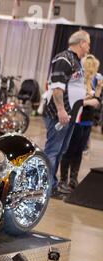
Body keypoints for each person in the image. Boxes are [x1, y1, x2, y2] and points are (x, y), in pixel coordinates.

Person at [42, 30, 90, 199]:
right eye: (88, 44)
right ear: (82, 43)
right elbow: (57, 87)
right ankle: (44, 186)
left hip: (70, 115)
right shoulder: (64, 58)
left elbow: (74, 86)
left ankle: (52, 184)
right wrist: (61, 110)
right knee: (53, 151)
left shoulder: (77, 61)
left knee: (61, 151)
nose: (89, 48)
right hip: (58, 114)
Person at [59, 54, 102, 193]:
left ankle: (73, 178)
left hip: (87, 121)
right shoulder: (79, 80)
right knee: (69, 150)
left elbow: (97, 102)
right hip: (77, 120)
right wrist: (90, 100)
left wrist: (99, 89)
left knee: (79, 151)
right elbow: (76, 101)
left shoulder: (95, 80)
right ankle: (63, 180)